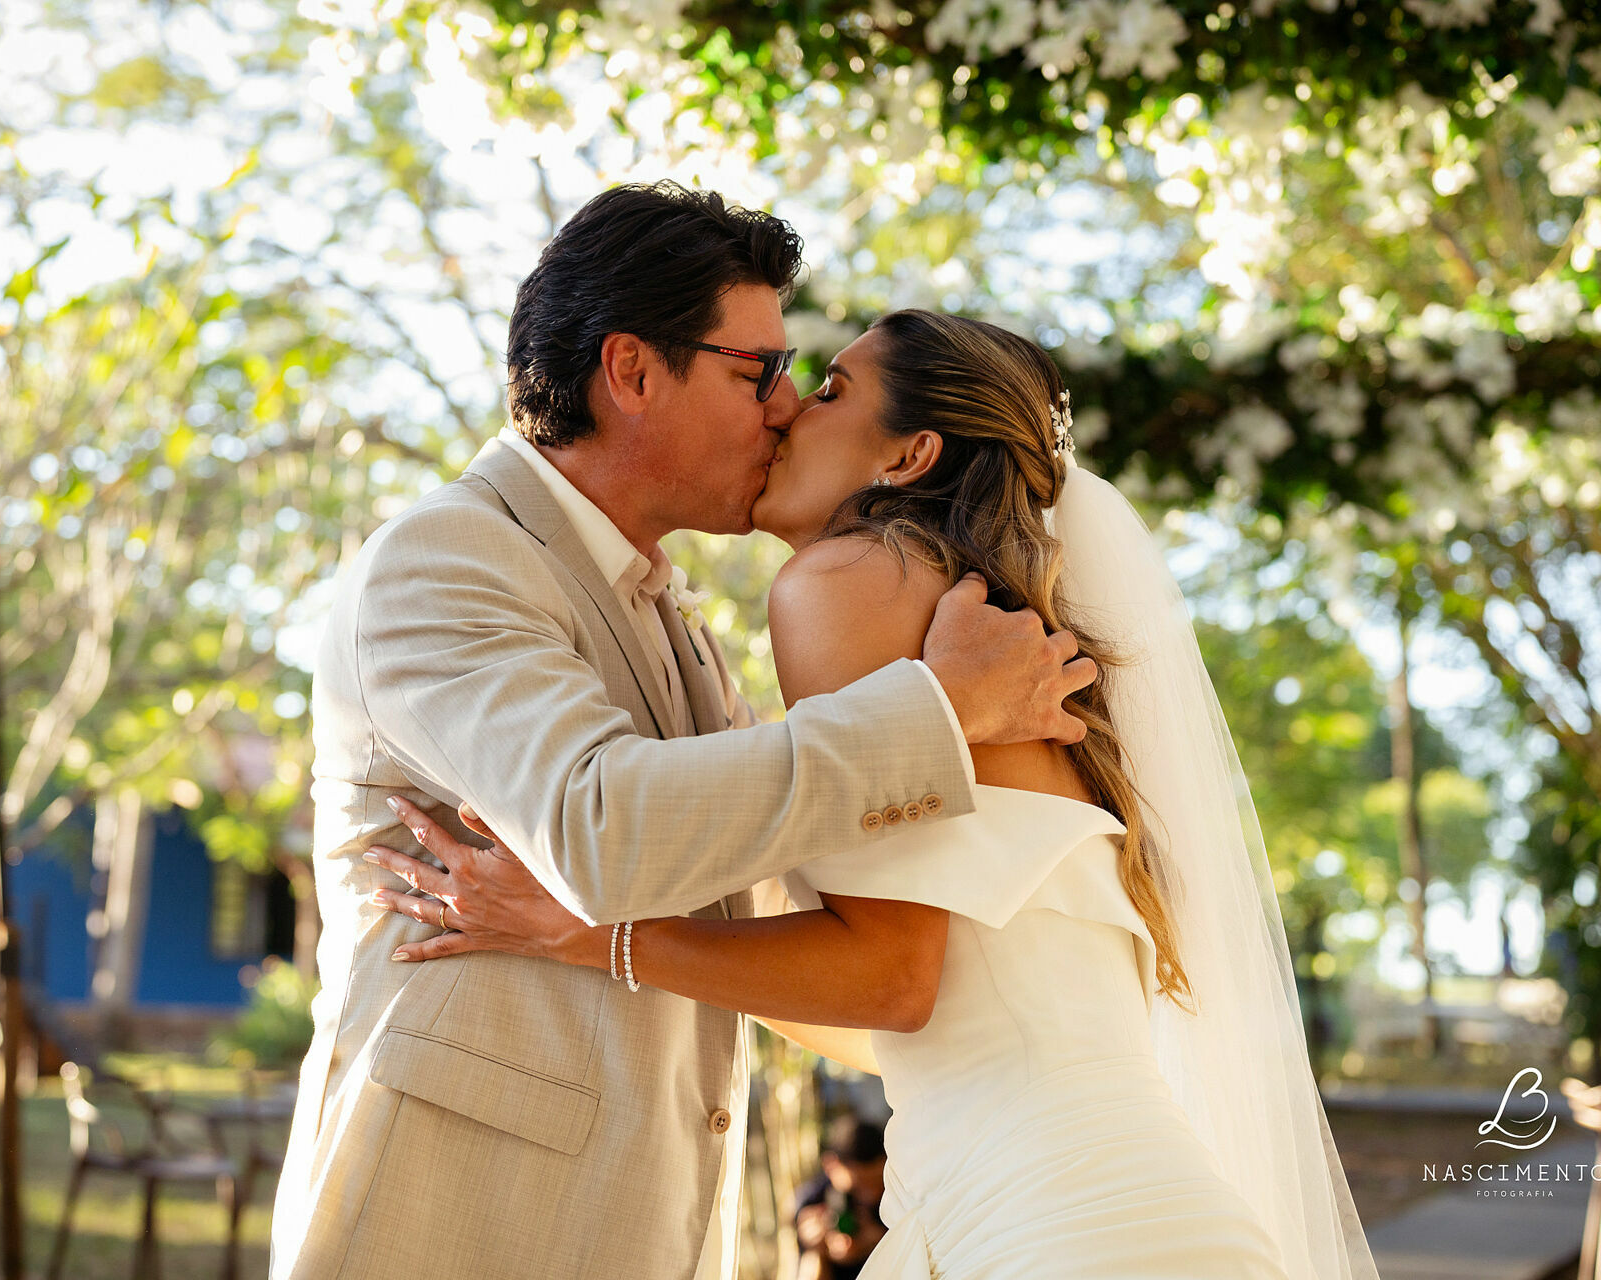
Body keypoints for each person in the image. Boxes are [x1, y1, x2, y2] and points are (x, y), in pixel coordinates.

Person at [370, 310, 1382, 1278]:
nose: (785, 409)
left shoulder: (845, 582)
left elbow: (892, 979)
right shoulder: (994, 624)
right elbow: (911, 1011)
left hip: (1037, 1227)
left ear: (905, 457)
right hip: (1137, 1206)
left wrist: (589, 932)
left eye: (828, 388)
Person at [268, 187, 1098, 1280]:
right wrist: (941, 712)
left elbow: (786, 915)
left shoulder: (675, 622)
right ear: (634, 371)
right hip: (456, 1220)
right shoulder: (446, 558)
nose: (787, 403)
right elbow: (600, 830)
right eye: (757, 369)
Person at [794, 1116, 888, 1280]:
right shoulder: (813, 1201)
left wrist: (879, 1241)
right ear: (831, 1166)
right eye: (861, 1185)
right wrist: (816, 1247)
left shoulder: (901, 1192)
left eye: (878, 1182)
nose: (871, 1195)